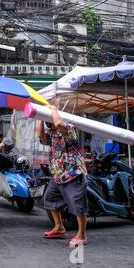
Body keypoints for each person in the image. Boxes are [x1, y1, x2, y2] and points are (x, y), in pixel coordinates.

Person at [38, 106, 88, 247]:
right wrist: (41, 118)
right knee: (49, 198)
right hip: (58, 174)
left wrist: (53, 109)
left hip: (72, 172)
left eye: (50, 120)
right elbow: (41, 137)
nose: (51, 124)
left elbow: (59, 123)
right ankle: (59, 227)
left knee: (77, 204)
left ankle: (82, 235)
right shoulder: (53, 135)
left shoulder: (70, 128)